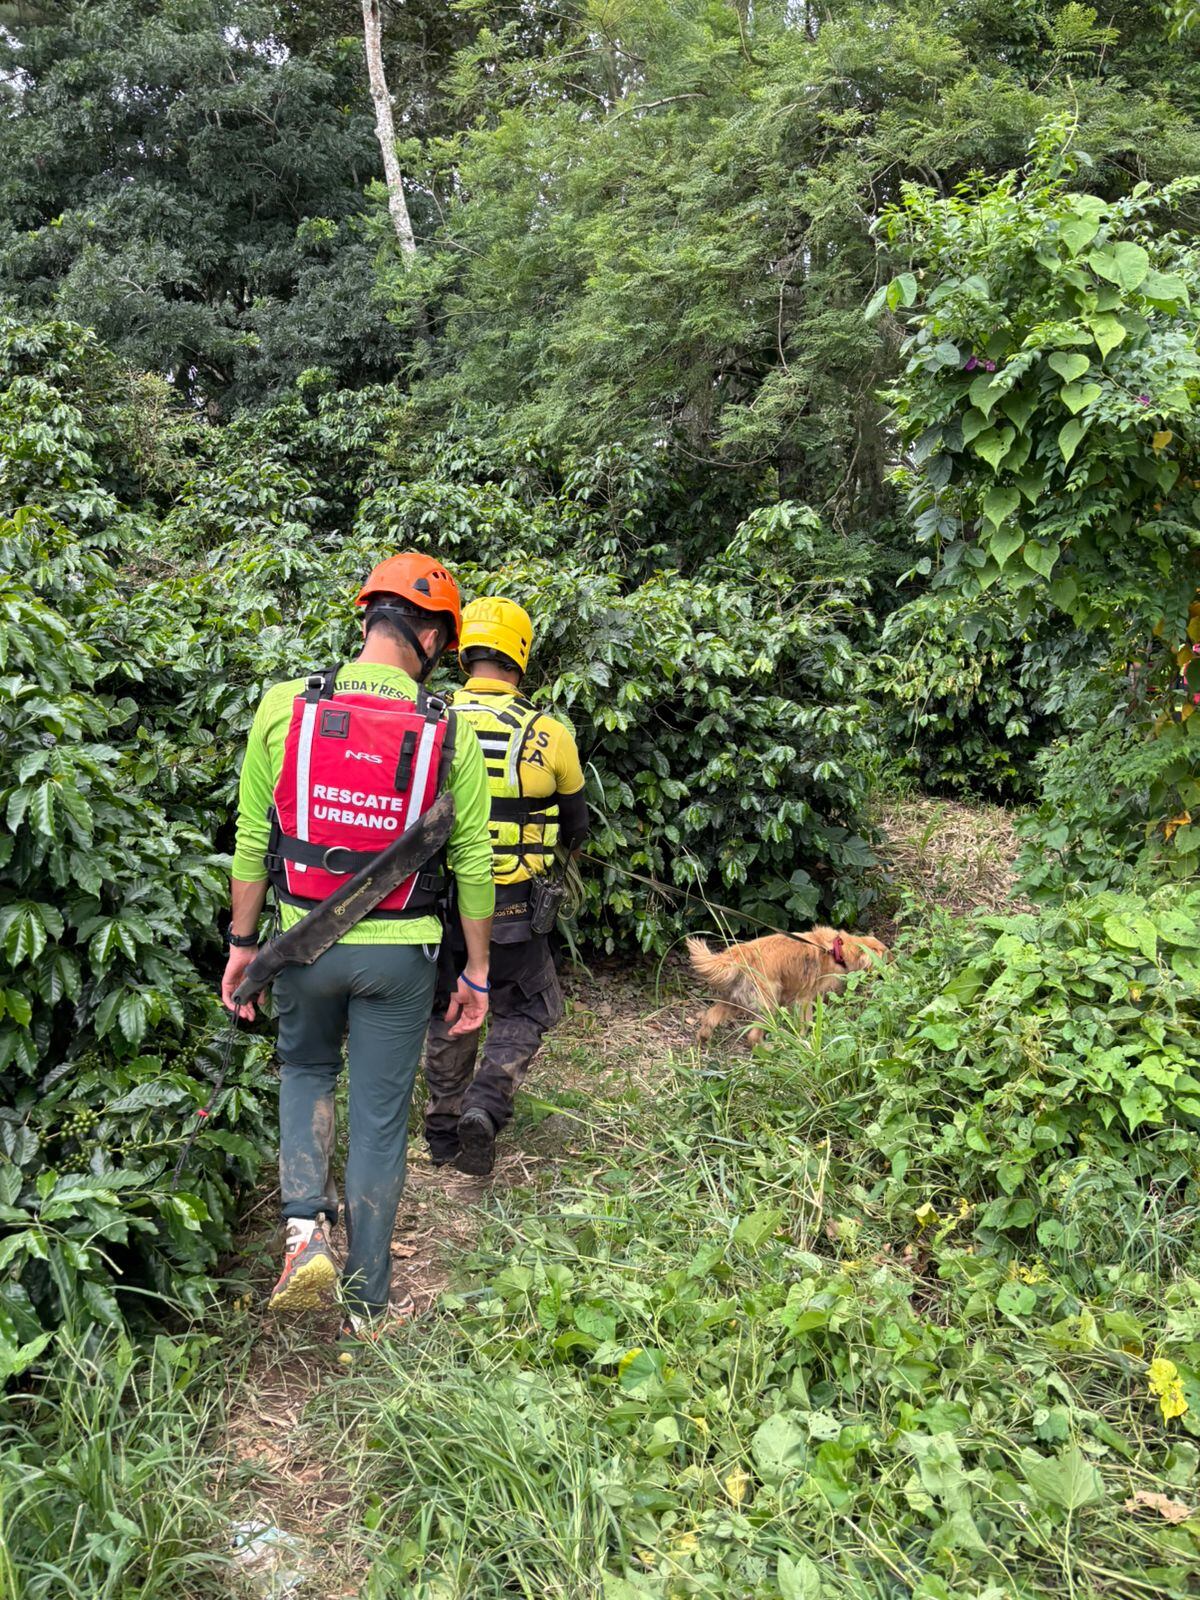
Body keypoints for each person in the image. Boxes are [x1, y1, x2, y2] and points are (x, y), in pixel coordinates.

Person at [220, 553, 495, 1335]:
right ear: (436, 636)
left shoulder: (285, 706)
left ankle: (304, 1234)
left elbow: (250, 843)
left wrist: (245, 945)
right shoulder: (450, 731)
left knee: (306, 1072)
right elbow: (473, 864)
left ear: (368, 618)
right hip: (399, 956)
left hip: (301, 942)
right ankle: (369, 1297)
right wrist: (475, 974)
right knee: (380, 1119)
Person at [422, 597, 589, 1176]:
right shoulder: (550, 733)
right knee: (528, 1007)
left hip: (439, 908)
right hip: (516, 911)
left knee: (449, 1007)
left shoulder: (432, 719)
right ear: (521, 654)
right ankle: (486, 1105)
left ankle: (443, 1132)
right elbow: (576, 826)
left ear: (464, 651)